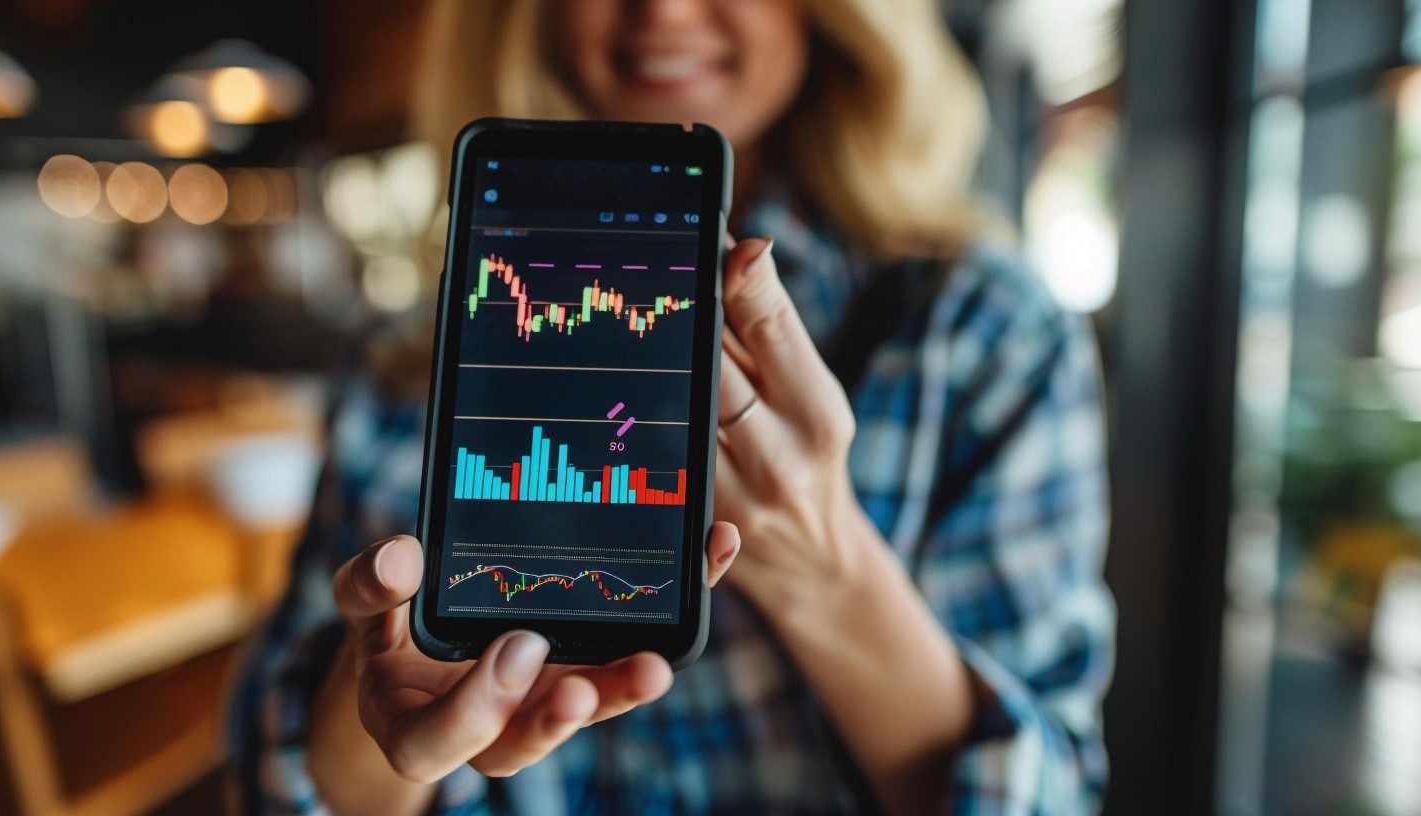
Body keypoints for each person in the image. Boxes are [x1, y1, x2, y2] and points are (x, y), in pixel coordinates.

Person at [229, 0, 1115, 813]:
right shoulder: (404, 359)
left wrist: (822, 561)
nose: (664, 10)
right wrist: (384, 712)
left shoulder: (984, 332)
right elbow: (273, 795)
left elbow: (1049, 798)